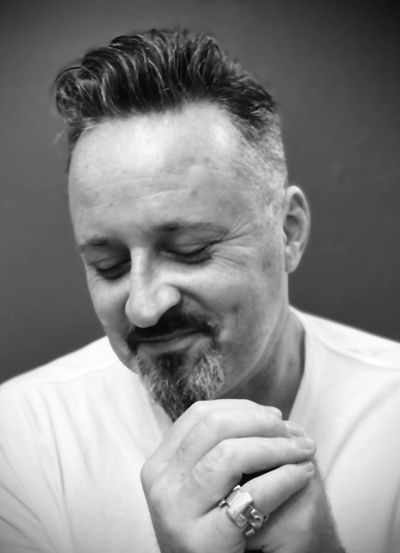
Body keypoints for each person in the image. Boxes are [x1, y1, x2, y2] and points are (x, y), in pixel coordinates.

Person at [0, 28, 399, 553]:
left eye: (190, 249)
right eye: (108, 265)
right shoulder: (20, 442)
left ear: (288, 232)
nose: (144, 307)